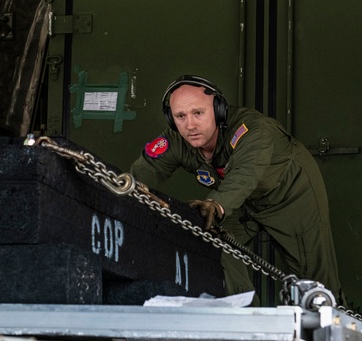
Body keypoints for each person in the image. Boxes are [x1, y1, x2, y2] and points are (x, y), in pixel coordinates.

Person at [131, 75, 342, 298]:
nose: (190, 125)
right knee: (216, 243)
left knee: (314, 281)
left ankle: (328, 326)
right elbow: (145, 170)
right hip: (239, 201)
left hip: (290, 194)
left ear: (219, 109)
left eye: (198, 113)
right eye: (180, 116)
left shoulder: (254, 130)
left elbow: (245, 173)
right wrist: (123, 194)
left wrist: (217, 204)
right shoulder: (176, 140)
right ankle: (245, 317)